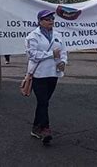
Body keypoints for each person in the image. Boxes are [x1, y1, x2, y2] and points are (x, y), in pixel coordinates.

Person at [25, 9, 67, 144]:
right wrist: (50, 55)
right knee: (43, 102)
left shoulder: (58, 35)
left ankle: (35, 127)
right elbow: (32, 55)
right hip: (39, 74)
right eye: (47, 19)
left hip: (53, 73)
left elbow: (63, 51)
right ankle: (45, 129)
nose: (51, 21)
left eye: (52, 19)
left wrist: (63, 62)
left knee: (44, 102)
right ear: (40, 21)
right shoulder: (32, 36)